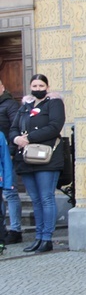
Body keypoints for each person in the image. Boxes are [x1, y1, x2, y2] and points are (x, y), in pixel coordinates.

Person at [9, 74, 66, 252]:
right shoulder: (25, 106)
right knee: (35, 200)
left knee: (46, 198)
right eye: (35, 85)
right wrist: (17, 138)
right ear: (30, 86)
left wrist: (29, 138)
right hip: (26, 159)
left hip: (46, 158)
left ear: (47, 87)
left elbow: (55, 126)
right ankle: (39, 236)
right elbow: (13, 128)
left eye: (41, 85)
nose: (38, 88)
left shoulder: (54, 103)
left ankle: (47, 238)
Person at [0, 79, 21, 245]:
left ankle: (15, 230)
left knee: (10, 193)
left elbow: (16, 128)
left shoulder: (11, 105)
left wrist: (12, 153)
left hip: (7, 155)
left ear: (2, 87)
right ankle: (2, 229)